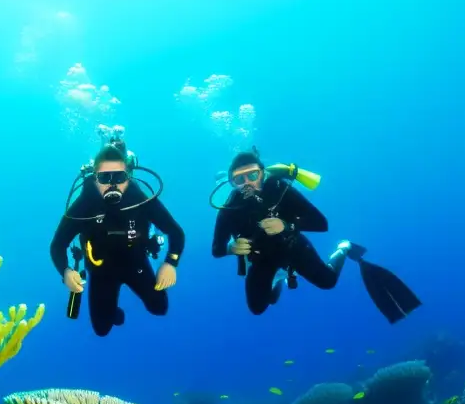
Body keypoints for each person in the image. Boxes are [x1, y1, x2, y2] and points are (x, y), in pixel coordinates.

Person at [211, 148, 421, 322]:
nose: (247, 183)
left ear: (263, 174)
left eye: (253, 175)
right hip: (262, 259)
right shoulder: (229, 208)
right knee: (258, 308)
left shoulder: (280, 190)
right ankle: (278, 279)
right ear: (232, 182)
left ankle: (343, 248)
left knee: (328, 282)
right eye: (240, 179)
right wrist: (232, 248)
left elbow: (321, 223)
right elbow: (217, 250)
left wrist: (286, 225)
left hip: (292, 247)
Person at [51, 143, 185, 336]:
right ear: (95, 178)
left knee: (159, 308)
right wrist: (65, 271)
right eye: (105, 177)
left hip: (136, 263)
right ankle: (113, 311)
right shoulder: (84, 204)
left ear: (128, 176)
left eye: (119, 177)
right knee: (102, 330)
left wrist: (171, 263)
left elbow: (175, 231)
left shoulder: (139, 198)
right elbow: (57, 245)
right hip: (100, 271)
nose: (112, 184)